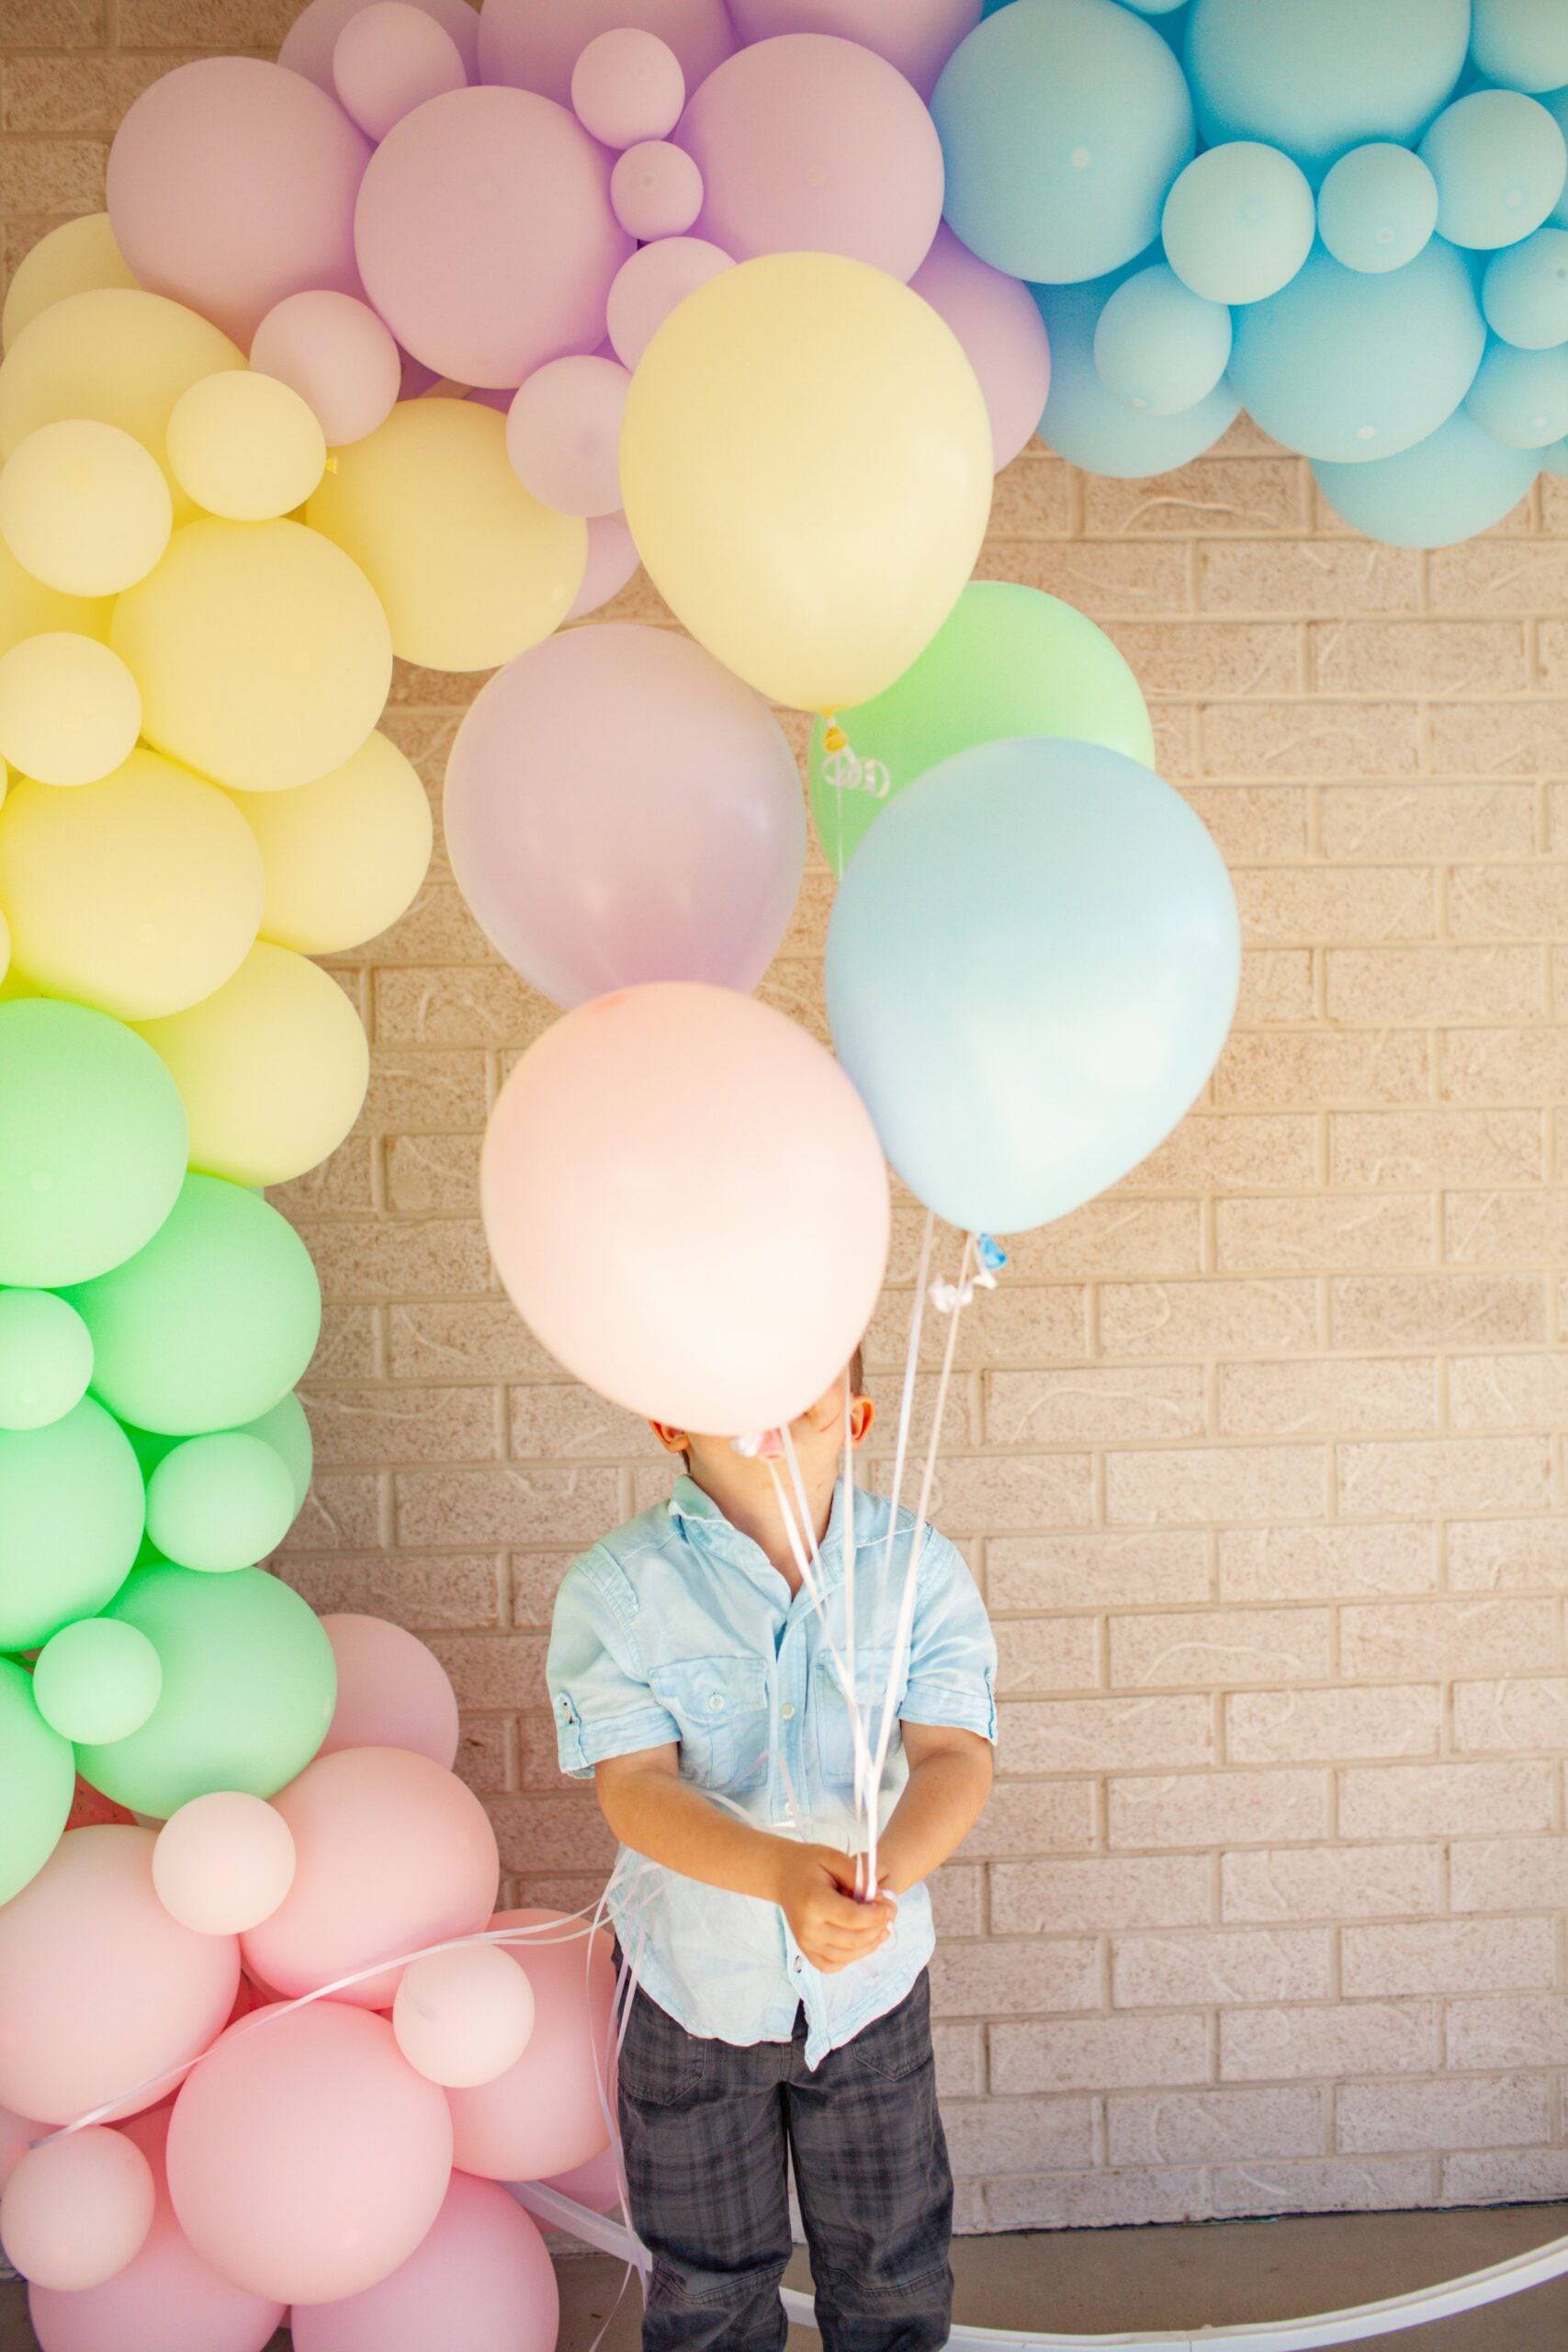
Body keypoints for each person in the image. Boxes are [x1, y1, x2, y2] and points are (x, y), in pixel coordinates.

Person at [547, 1350, 997, 2352]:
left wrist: (882, 1875)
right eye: (735, 1389)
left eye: (803, 1387)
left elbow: (955, 1754)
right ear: (671, 1424)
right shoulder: (617, 1587)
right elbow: (637, 1787)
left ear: (860, 1415)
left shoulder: (917, 1568)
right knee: (709, 2284)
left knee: (892, 2264)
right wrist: (779, 1875)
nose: (774, 1411)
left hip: (868, 1988)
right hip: (692, 1987)